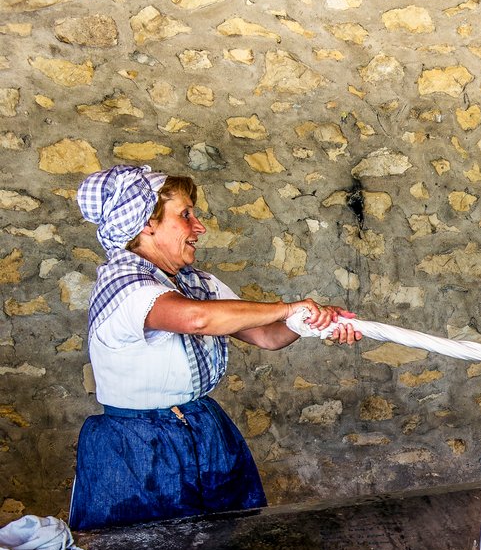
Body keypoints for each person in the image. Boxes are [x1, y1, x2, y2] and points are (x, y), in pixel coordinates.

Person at [69, 164, 360, 531]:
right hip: (137, 448)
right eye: (186, 215)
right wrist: (289, 307)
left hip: (205, 430)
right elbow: (196, 320)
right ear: (146, 223)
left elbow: (267, 336)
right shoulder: (123, 284)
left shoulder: (196, 282)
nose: (199, 226)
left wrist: (311, 323)